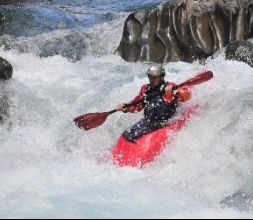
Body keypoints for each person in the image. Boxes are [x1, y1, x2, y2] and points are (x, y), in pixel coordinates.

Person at [116, 64, 192, 143]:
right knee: (127, 133)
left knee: (132, 135)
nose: (151, 79)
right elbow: (137, 104)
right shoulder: (145, 89)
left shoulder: (170, 87)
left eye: (154, 77)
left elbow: (187, 95)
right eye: (150, 76)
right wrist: (126, 107)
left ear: (161, 77)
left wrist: (177, 92)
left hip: (165, 122)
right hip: (149, 121)